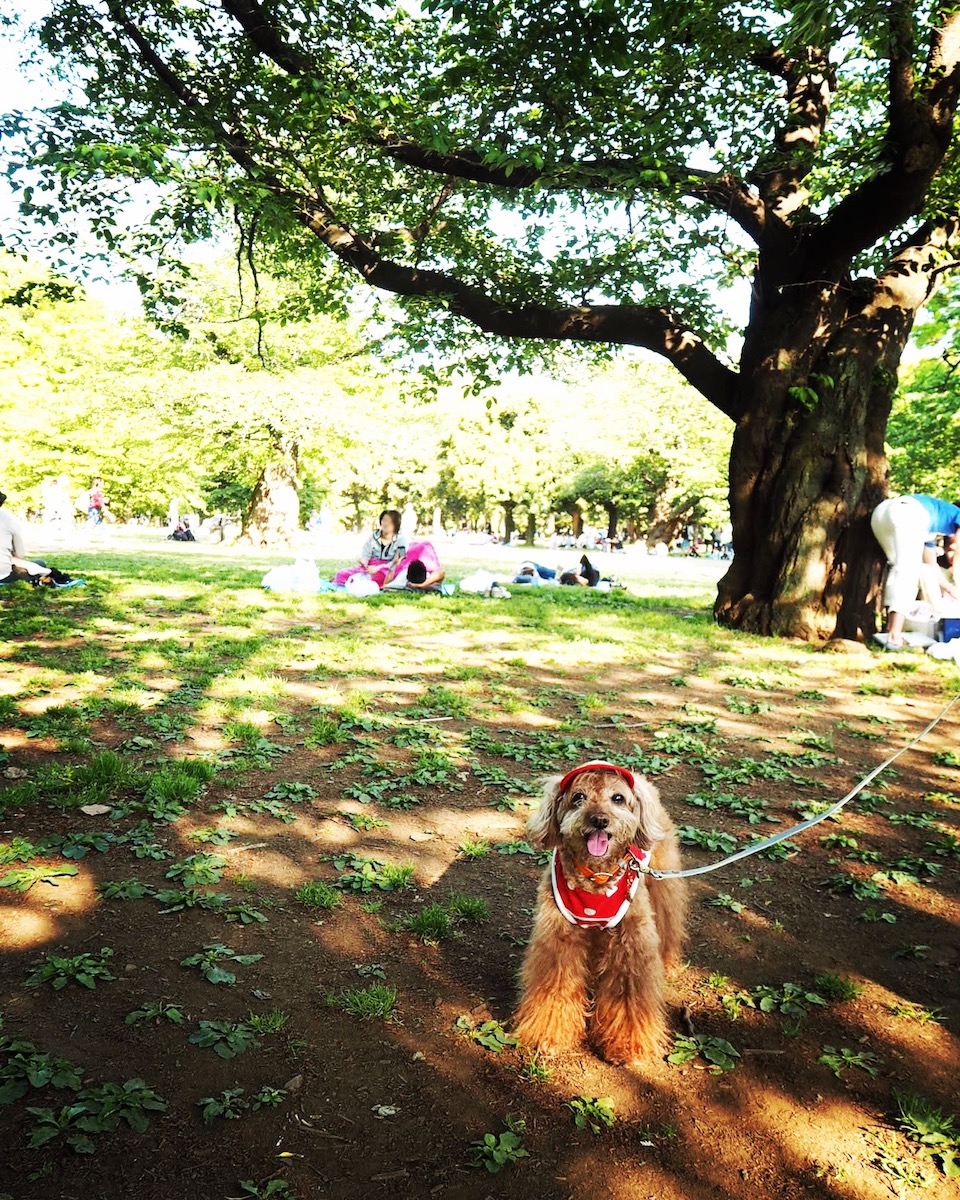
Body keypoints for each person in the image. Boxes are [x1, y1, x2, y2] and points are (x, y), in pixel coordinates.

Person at [871, 493, 960, 649]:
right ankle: (894, 637)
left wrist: (952, 590)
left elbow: (931, 565)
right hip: (907, 513)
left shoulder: (930, 527)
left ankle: (888, 628)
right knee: (908, 571)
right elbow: (959, 551)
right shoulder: (952, 514)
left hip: (881, 515)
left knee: (898, 566)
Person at [333, 509, 407, 589]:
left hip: (387, 570)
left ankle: (363, 583)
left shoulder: (401, 540)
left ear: (396, 525)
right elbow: (366, 553)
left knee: (378, 578)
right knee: (341, 574)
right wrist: (364, 561)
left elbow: (399, 561)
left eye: (390, 522)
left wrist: (379, 568)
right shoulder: (373, 537)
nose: (386, 524)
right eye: (384, 520)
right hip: (369, 568)